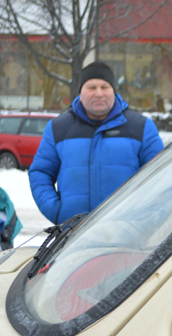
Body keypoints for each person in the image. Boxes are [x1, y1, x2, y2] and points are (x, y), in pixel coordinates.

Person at [29, 61, 164, 224]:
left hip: (129, 235)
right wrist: (58, 213)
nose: (99, 93)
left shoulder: (141, 127)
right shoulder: (58, 128)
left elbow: (165, 177)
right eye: (91, 87)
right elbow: (40, 173)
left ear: (114, 91)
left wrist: (147, 222)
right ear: (80, 93)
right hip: (73, 235)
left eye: (105, 87)